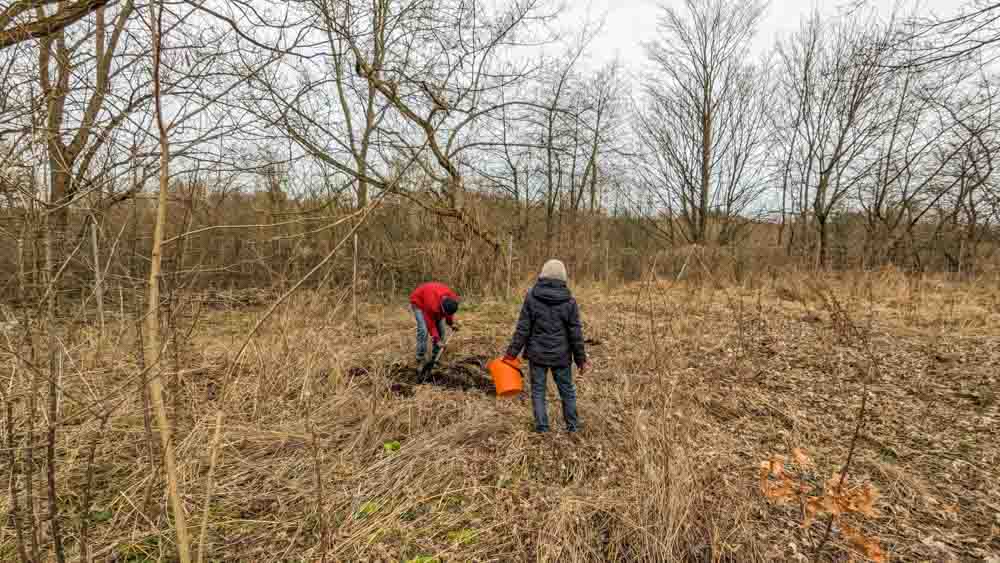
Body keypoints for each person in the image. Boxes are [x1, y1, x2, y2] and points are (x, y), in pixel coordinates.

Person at [504, 259, 588, 433]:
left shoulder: (531, 297)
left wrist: (511, 354)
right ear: (563, 277)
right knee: (567, 391)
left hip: (537, 355)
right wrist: (581, 360)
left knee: (538, 391)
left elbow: (523, 329)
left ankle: (542, 428)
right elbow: (575, 334)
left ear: (542, 275)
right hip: (561, 356)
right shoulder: (569, 302)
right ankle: (573, 427)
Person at [409, 281, 460, 369]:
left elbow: (448, 313)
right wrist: (436, 339)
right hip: (419, 302)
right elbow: (430, 323)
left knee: (442, 332)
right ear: (441, 307)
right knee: (423, 330)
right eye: (443, 313)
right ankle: (420, 358)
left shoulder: (452, 299)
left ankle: (435, 359)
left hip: (434, 297)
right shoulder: (431, 305)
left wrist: (451, 323)